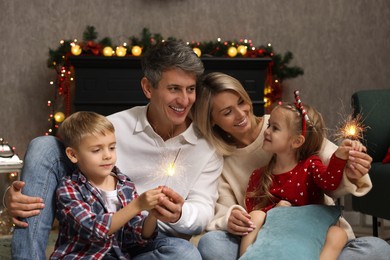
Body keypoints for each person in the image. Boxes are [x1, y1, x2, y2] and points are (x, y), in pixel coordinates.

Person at [4, 40, 223, 260]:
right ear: (148, 87)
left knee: (186, 255)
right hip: (95, 231)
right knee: (44, 147)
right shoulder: (112, 128)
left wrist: (179, 214)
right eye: (174, 88)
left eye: (191, 89)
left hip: (150, 239)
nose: (184, 100)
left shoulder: (207, 148)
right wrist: (11, 197)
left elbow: (204, 209)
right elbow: (67, 174)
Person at [193, 72, 390, 260]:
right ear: (212, 120)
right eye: (227, 112)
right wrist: (231, 217)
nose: (241, 113)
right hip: (265, 239)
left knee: (378, 249)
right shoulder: (218, 158)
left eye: (241, 102)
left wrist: (350, 169)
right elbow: (225, 210)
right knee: (213, 245)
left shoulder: (286, 123)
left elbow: (331, 169)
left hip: (316, 233)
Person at [240, 100, 357, 259]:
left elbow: (329, 181)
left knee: (338, 233)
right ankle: (246, 257)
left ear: (296, 141)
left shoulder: (311, 165)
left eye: (275, 128)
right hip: (275, 233)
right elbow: (251, 210)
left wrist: (339, 157)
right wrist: (274, 210)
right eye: (268, 126)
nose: (266, 132)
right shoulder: (259, 175)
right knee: (255, 217)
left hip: (307, 232)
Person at [51, 111, 164, 259]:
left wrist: (153, 215)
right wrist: (137, 205)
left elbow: (135, 237)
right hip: (83, 257)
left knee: (179, 251)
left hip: (118, 255)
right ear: (73, 155)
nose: (107, 155)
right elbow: (93, 229)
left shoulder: (125, 185)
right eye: (97, 150)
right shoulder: (69, 189)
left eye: (111, 148)